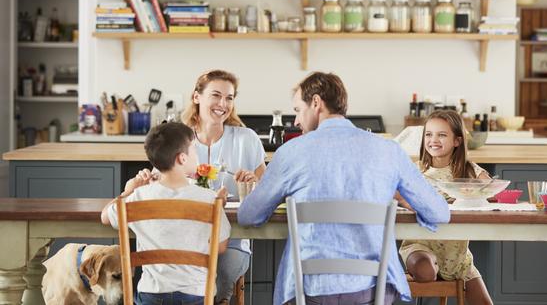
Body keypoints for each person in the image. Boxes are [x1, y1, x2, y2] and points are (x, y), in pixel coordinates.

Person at [238, 72, 450, 305]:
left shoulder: (291, 152)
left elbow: (249, 215)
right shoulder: (389, 150)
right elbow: (438, 212)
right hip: (372, 290)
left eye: (298, 110)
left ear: (316, 103)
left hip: (310, 291)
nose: (296, 121)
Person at [127, 70, 266, 304]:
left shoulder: (247, 139)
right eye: (216, 95)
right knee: (171, 273)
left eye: (229, 98)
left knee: (221, 273)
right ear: (196, 97)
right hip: (183, 237)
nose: (223, 103)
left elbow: (267, 189)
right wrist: (145, 179)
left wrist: (255, 181)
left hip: (231, 238)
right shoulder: (178, 138)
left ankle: (214, 298)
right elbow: (160, 184)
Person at [101, 122, 231, 305]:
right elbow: (222, 246)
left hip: (152, 295)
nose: (197, 153)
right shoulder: (210, 199)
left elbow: (105, 216)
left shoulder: (139, 197)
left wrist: (127, 192)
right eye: (194, 148)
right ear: (182, 158)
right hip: (196, 295)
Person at [397, 110, 493, 305]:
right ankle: (426, 265)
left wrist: (475, 189)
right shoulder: (415, 171)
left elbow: (490, 188)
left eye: (442, 135)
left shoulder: (468, 170)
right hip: (420, 246)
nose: (434, 140)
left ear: (457, 141)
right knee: (426, 271)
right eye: (429, 134)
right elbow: (396, 192)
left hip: (457, 257)